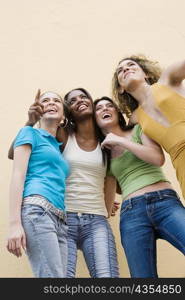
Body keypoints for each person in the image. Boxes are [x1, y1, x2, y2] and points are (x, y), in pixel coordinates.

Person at [9, 88, 119, 278]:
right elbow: (17, 161)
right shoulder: (54, 134)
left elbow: (110, 179)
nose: (80, 101)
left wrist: (105, 206)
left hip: (77, 218)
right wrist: (30, 122)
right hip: (52, 214)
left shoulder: (102, 143)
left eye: (83, 97)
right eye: (72, 100)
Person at [94, 96, 185, 278]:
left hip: (165, 203)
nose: (105, 108)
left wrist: (120, 141)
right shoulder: (103, 153)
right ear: (95, 120)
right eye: (99, 108)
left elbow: (157, 158)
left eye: (109, 105)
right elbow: (109, 195)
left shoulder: (138, 130)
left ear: (117, 112)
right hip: (131, 214)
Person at [7, 90, 70, 278]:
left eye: (56, 100)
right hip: (38, 211)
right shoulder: (29, 132)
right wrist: (14, 225)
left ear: (63, 116)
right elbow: (17, 175)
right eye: (45, 100)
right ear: (38, 110)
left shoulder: (57, 148)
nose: (51, 102)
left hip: (60, 220)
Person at [112, 55, 185, 200]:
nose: (125, 68)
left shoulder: (168, 79)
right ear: (120, 88)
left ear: (146, 73)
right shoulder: (135, 118)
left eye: (131, 65)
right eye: (120, 70)